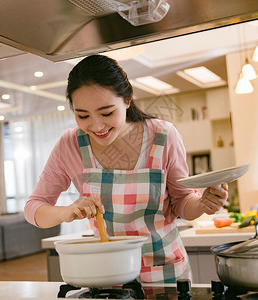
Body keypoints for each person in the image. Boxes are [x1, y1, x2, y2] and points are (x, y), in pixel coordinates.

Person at [24, 55, 228, 283]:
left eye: (107, 113)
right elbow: (34, 208)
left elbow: (181, 203)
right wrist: (66, 211)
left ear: (128, 100)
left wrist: (202, 204)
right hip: (110, 277)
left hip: (166, 274)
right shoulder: (69, 145)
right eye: (82, 115)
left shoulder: (162, 136)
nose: (97, 125)